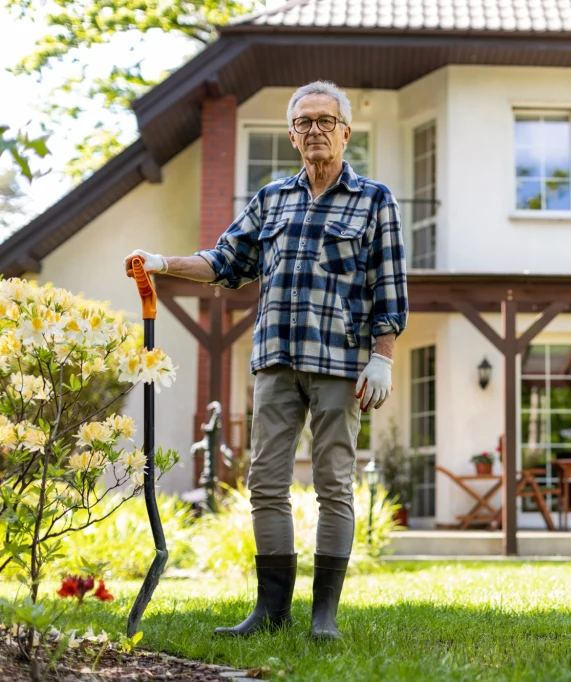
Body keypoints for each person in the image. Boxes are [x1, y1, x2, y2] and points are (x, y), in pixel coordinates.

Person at [124, 80, 408, 641]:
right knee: (267, 484)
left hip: (340, 363)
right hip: (275, 359)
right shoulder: (271, 199)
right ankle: (271, 611)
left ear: (346, 132)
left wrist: (384, 357)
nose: (315, 131)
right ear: (292, 135)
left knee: (333, 483)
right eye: (304, 123)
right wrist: (162, 261)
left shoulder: (376, 200)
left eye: (325, 121)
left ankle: (323, 616)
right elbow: (225, 260)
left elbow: (390, 285)